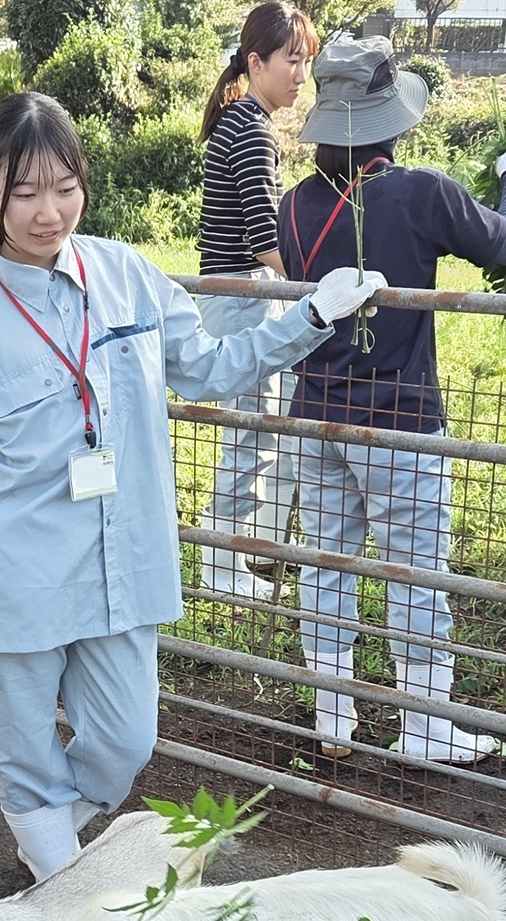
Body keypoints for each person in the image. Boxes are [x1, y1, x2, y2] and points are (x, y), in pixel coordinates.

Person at [0, 92, 380, 879]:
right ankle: (58, 882)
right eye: (24, 191)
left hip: (120, 565)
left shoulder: (127, 276)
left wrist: (311, 315)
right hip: (19, 575)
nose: (47, 211)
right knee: (24, 741)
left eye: (64, 187)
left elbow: (210, 367)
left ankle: (51, 849)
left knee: (128, 739)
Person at [275, 36, 506, 764]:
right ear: (389, 118)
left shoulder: (295, 206)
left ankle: (334, 716)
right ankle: (424, 724)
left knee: (326, 564)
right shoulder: (424, 192)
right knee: (414, 570)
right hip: (399, 423)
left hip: (315, 412)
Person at [191, 1, 319, 600]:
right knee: (251, 429)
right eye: (291, 61)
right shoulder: (251, 129)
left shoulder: (242, 121)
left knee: (263, 424)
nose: (301, 75)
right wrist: (313, 290)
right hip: (242, 295)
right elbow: (262, 236)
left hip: (236, 291)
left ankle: (253, 551)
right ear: (256, 62)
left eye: (306, 62)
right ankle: (221, 565)